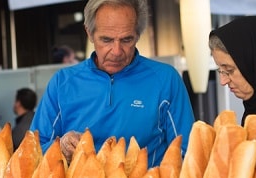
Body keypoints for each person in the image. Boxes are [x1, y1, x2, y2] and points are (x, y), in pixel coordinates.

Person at [30, 0, 195, 168]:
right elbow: (32, 151)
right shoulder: (62, 83)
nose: (116, 51)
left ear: (138, 35)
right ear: (89, 33)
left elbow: (189, 153)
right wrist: (60, 147)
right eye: (107, 40)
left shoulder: (166, 79)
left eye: (126, 40)